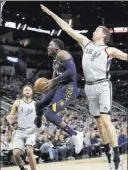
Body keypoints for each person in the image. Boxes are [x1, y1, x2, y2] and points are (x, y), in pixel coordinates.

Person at [40, 4, 127, 170]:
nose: (94, 31)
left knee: (106, 120)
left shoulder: (109, 50)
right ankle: (107, 152)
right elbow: (67, 28)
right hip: (89, 87)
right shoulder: (86, 43)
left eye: (97, 30)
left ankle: (116, 158)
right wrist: (52, 14)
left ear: (104, 35)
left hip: (102, 85)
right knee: (99, 124)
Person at [26, 38, 83, 154]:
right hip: (59, 88)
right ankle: (38, 126)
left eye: (50, 45)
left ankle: (75, 134)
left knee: (49, 114)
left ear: (57, 47)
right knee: (39, 105)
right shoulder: (55, 62)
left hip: (69, 88)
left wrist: (54, 80)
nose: (47, 47)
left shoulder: (63, 53)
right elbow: (52, 82)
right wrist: (45, 87)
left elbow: (72, 72)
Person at [6, 85, 38, 170]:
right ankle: (22, 168)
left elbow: (42, 118)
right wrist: (11, 121)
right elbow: (11, 116)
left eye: (29, 90)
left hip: (30, 130)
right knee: (16, 153)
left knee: (29, 151)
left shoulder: (35, 104)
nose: (27, 91)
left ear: (32, 92)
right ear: (23, 92)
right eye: (25, 90)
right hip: (19, 131)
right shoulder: (17, 102)